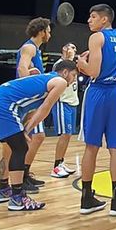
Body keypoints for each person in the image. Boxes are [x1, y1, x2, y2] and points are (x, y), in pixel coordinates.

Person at [0, 60, 78, 210]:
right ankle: (17, 198)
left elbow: (34, 109)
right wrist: (26, 130)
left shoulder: (45, 79)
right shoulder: (60, 82)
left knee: (9, 148)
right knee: (20, 148)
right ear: (65, 72)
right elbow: (45, 109)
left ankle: (3, 189)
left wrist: (25, 127)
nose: (73, 80)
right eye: (73, 75)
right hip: (3, 105)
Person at [77, 4, 116, 216]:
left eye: (92, 16)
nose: (89, 20)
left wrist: (80, 63)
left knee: (91, 146)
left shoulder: (97, 38)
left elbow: (93, 71)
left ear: (105, 20)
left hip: (98, 92)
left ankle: (86, 198)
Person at [0, 17, 52, 201]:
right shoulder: (30, 47)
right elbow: (21, 68)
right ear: (42, 31)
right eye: (49, 30)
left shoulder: (35, 49)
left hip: (24, 103)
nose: (50, 34)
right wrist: (27, 85)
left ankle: (20, 177)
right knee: (12, 147)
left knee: (33, 138)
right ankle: (7, 185)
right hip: (20, 103)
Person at [50, 42, 79, 178]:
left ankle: (61, 162)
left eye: (75, 48)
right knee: (64, 134)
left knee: (68, 135)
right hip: (62, 102)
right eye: (71, 47)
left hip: (73, 102)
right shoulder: (59, 64)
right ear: (64, 48)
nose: (74, 50)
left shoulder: (73, 65)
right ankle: (56, 167)